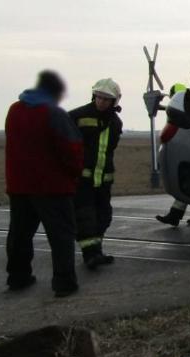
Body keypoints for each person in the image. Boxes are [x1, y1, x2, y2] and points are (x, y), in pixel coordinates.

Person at [4, 70, 83, 297]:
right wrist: (74, 174)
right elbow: (71, 149)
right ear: (55, 92)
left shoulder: (14, 110)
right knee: (60, 236)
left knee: (19, 235)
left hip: (19, 185)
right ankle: (64, 282)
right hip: (52, 187)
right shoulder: (53, 113)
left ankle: (17, 277)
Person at [69, 78, 123, 269]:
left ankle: (96, 251)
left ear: (114, 101)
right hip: (82, 179)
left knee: (104, 216)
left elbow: (110, 148)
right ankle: (89, 255)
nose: (101, 102)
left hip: (104, 180)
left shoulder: (116, 123)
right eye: (99, 97)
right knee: (85, 217)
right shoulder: (78, 115)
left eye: (106, 99)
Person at [155, 82, 190, 227]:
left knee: (187, 186)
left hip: (189, 155)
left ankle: (175, 215)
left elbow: (173, 132)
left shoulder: (179, 113)